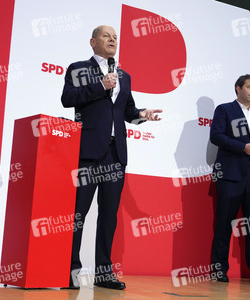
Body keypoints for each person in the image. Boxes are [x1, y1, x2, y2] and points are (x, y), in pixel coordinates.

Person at [61, 25, 162, 290]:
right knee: (78, 214)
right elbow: (67, 98)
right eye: (106, 36)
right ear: (93, 42)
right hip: (88, 151)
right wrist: (100, 85)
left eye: (115, 37)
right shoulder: (78, 68)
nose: (112, 39)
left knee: (109, 215)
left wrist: (143, 114)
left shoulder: (124, 75)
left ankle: (104, 273)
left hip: (116, 154)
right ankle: (70, 270)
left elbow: (127, 110)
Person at [211, 74, 250, 284]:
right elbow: (216, 136)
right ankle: (219, 269)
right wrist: (243, 147)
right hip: (230, 175)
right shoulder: (224, 109)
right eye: (249, 87)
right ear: (238, 88)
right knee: (224, 224)